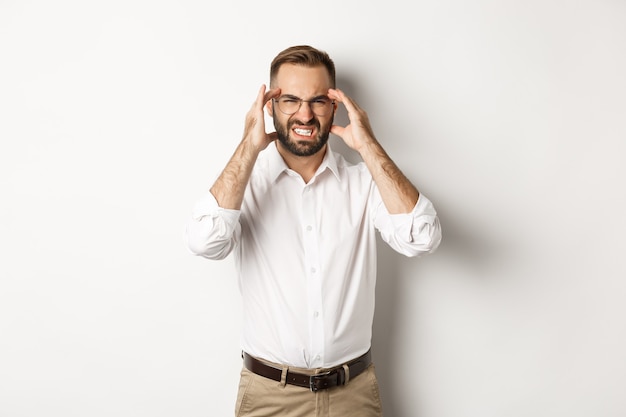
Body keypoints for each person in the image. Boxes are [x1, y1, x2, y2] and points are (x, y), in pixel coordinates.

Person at [184, 45, 442, 417]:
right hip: (269, 397)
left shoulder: (364, 184)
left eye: (318, 101)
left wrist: (367, 144)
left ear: (334, 107)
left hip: (353, 395)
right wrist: (248, 147)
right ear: (269, 106)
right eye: (290, 100)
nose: (304, 114)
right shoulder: (245, 185)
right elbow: (203, 242)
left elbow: (423, 236)